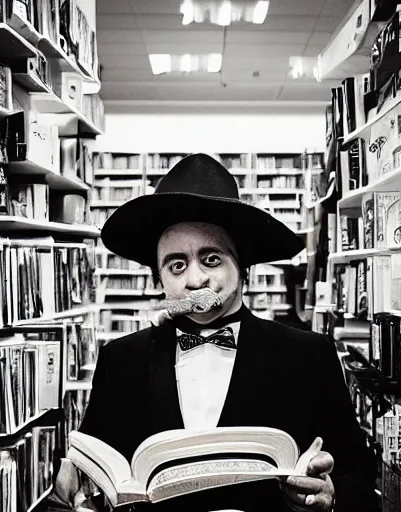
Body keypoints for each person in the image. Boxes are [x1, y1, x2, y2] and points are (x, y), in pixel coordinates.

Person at [75, 153, 379, 511]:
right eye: (176, 265)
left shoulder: (308, 355)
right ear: (159, 279)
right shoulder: (120, 359)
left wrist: (329, 494)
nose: (195, 280)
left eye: (212, 259)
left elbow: (359, 478)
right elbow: (94, 474)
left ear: (243, 266)